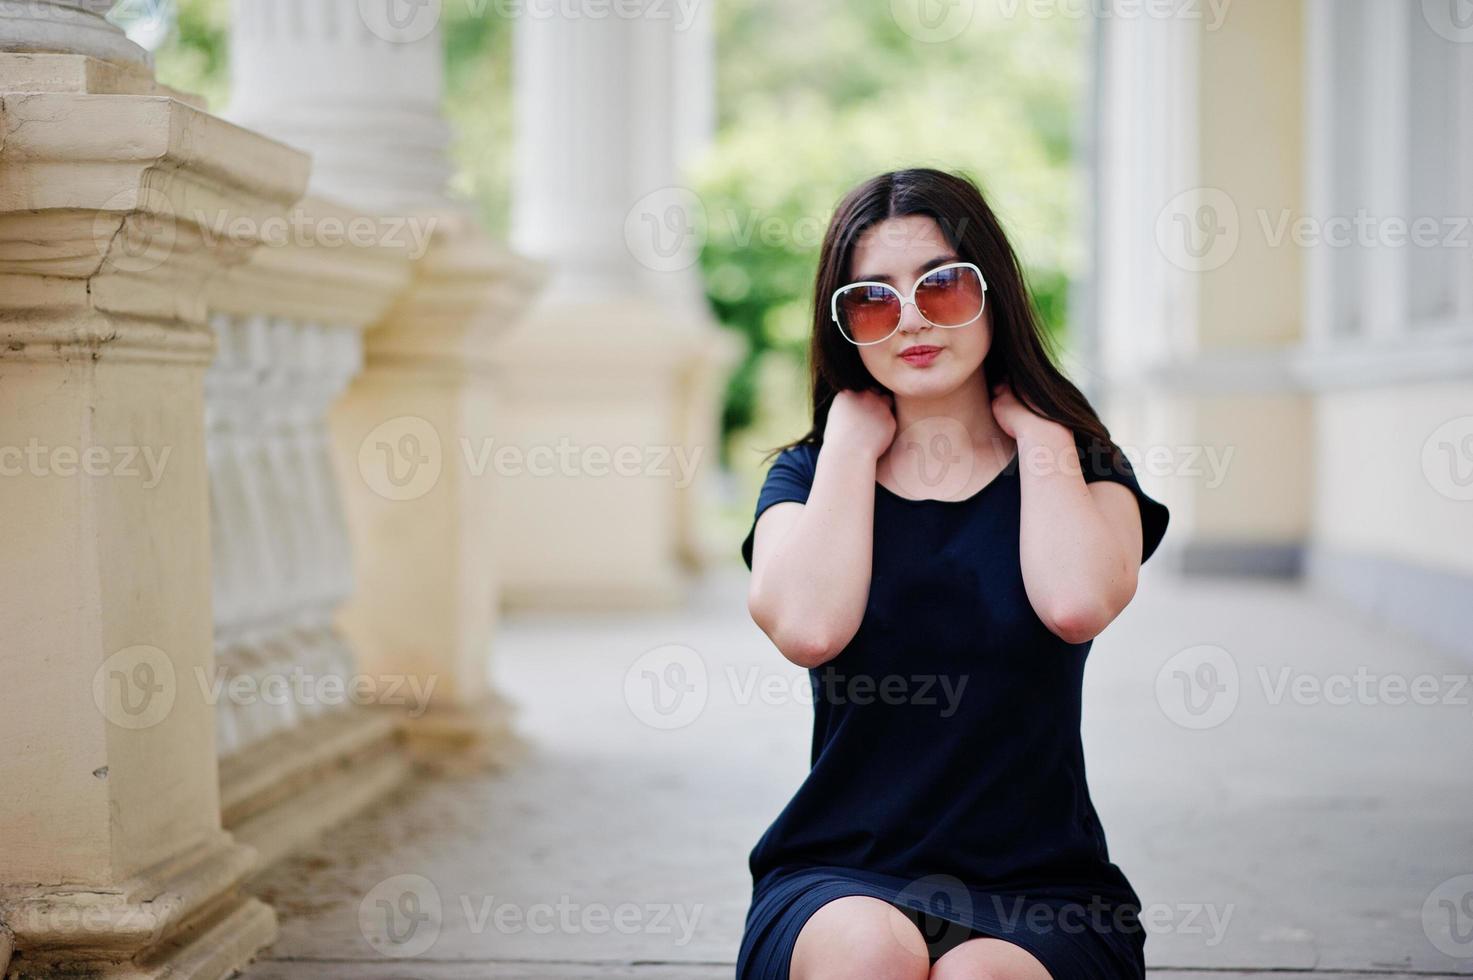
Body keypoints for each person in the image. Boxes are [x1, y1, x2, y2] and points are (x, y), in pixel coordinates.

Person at [735, 168, 1170, 980]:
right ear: (844, 328)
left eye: (940, 286)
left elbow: (1075, 603)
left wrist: (1041, 438)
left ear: (993, 292)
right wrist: (847, 447)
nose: (908, 321)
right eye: (871, 299)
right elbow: (808, 628)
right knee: (867, 953)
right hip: (840, 873)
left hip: (1043, 890)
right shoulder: (806, 477)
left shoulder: (1081, 468)